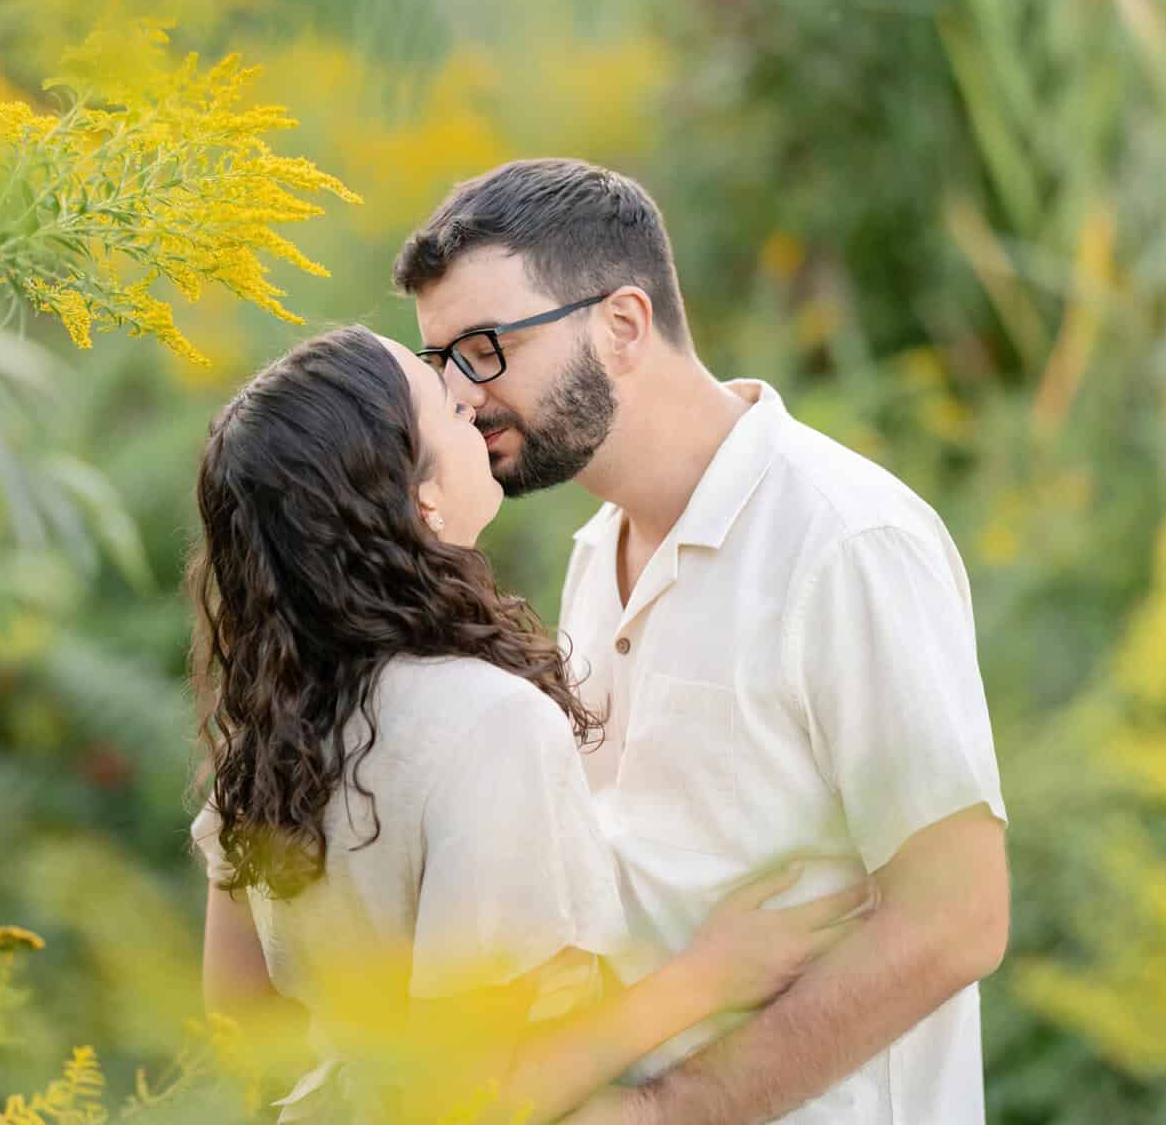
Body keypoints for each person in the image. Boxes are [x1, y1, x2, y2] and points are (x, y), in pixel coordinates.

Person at [395, 158, 1010, 1124]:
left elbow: (958, 921)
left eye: (482, 347)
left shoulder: (846, 541)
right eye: (439, 361)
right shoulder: (595, 555)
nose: (458, 396)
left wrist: (674, 1113)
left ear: (624, 324)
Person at [186, 325, 875, 1123]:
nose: (474, 408)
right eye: (447, 405)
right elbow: (463, 1099)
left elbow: (242, 1038)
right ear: (421, 494)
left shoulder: (271, 732)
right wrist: (706, 978)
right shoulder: (487, 723)